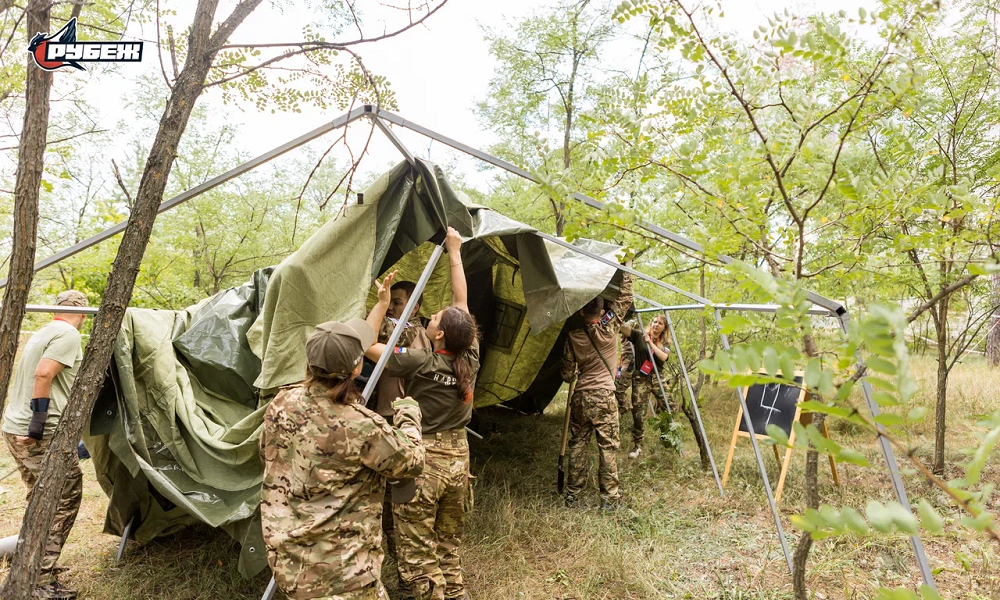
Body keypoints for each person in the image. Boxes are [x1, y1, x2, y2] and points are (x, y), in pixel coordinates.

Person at [259, 314, 426, 600]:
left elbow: (266, 453)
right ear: (356, 368)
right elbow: (410, 463)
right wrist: (409, 415)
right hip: (344, 577)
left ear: (309, 364)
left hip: (290, 564)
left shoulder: (281, 403)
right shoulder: (361, 425)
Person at [365, 226, 479, 600]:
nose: (431, 317)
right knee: (447, 546)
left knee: (417, 557)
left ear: (441, 334)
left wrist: (381, 304)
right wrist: (455, 251)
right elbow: (461, 304)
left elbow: (368, 346)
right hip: (459, 461)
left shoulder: (418, 360)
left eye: (435, 319)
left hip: (422, 462)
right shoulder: (470, 356)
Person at [1, 290, 89, 600]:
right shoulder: (68, 333)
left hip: (14, 428)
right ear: (81, 313)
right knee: (63, 500)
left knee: (37, 498)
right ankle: (39, 580)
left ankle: (28, 560)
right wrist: (38, 426)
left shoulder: (44, 331)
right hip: (37, 433)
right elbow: (43, 374)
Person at [372, 280, 430, 593]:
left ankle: (406, 561)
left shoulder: (413, 333)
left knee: (400, 491)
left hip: (401, 419)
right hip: (387, 415)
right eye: (391, 302)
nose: (392, 306)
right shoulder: (403, 328)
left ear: (414, 307)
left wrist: (380, 308)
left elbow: (375, 339)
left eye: (398, 301)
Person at [560, 264, 633, 512]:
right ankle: (609, 499)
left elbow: (568, 375)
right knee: (608, 446)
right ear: (602, 311)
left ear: (581, 311)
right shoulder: (610, 328)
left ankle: (573, 496)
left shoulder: (573, 337)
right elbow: (625, 298)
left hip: (581, 396)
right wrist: (628, 267)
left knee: (578, 443)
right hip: (604, 395)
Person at [619, 314, 670, 459]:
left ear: (664, 327)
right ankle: (638, 445)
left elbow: (664, 357)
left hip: (657, 378)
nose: (656, 325)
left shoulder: (665, 343)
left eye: (660, 323)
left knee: (669, 406)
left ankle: (667, 438)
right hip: (640, 378)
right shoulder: (639, 335)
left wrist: (651, 343)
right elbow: (624, 329)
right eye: (654, 321)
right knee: (638, 413)